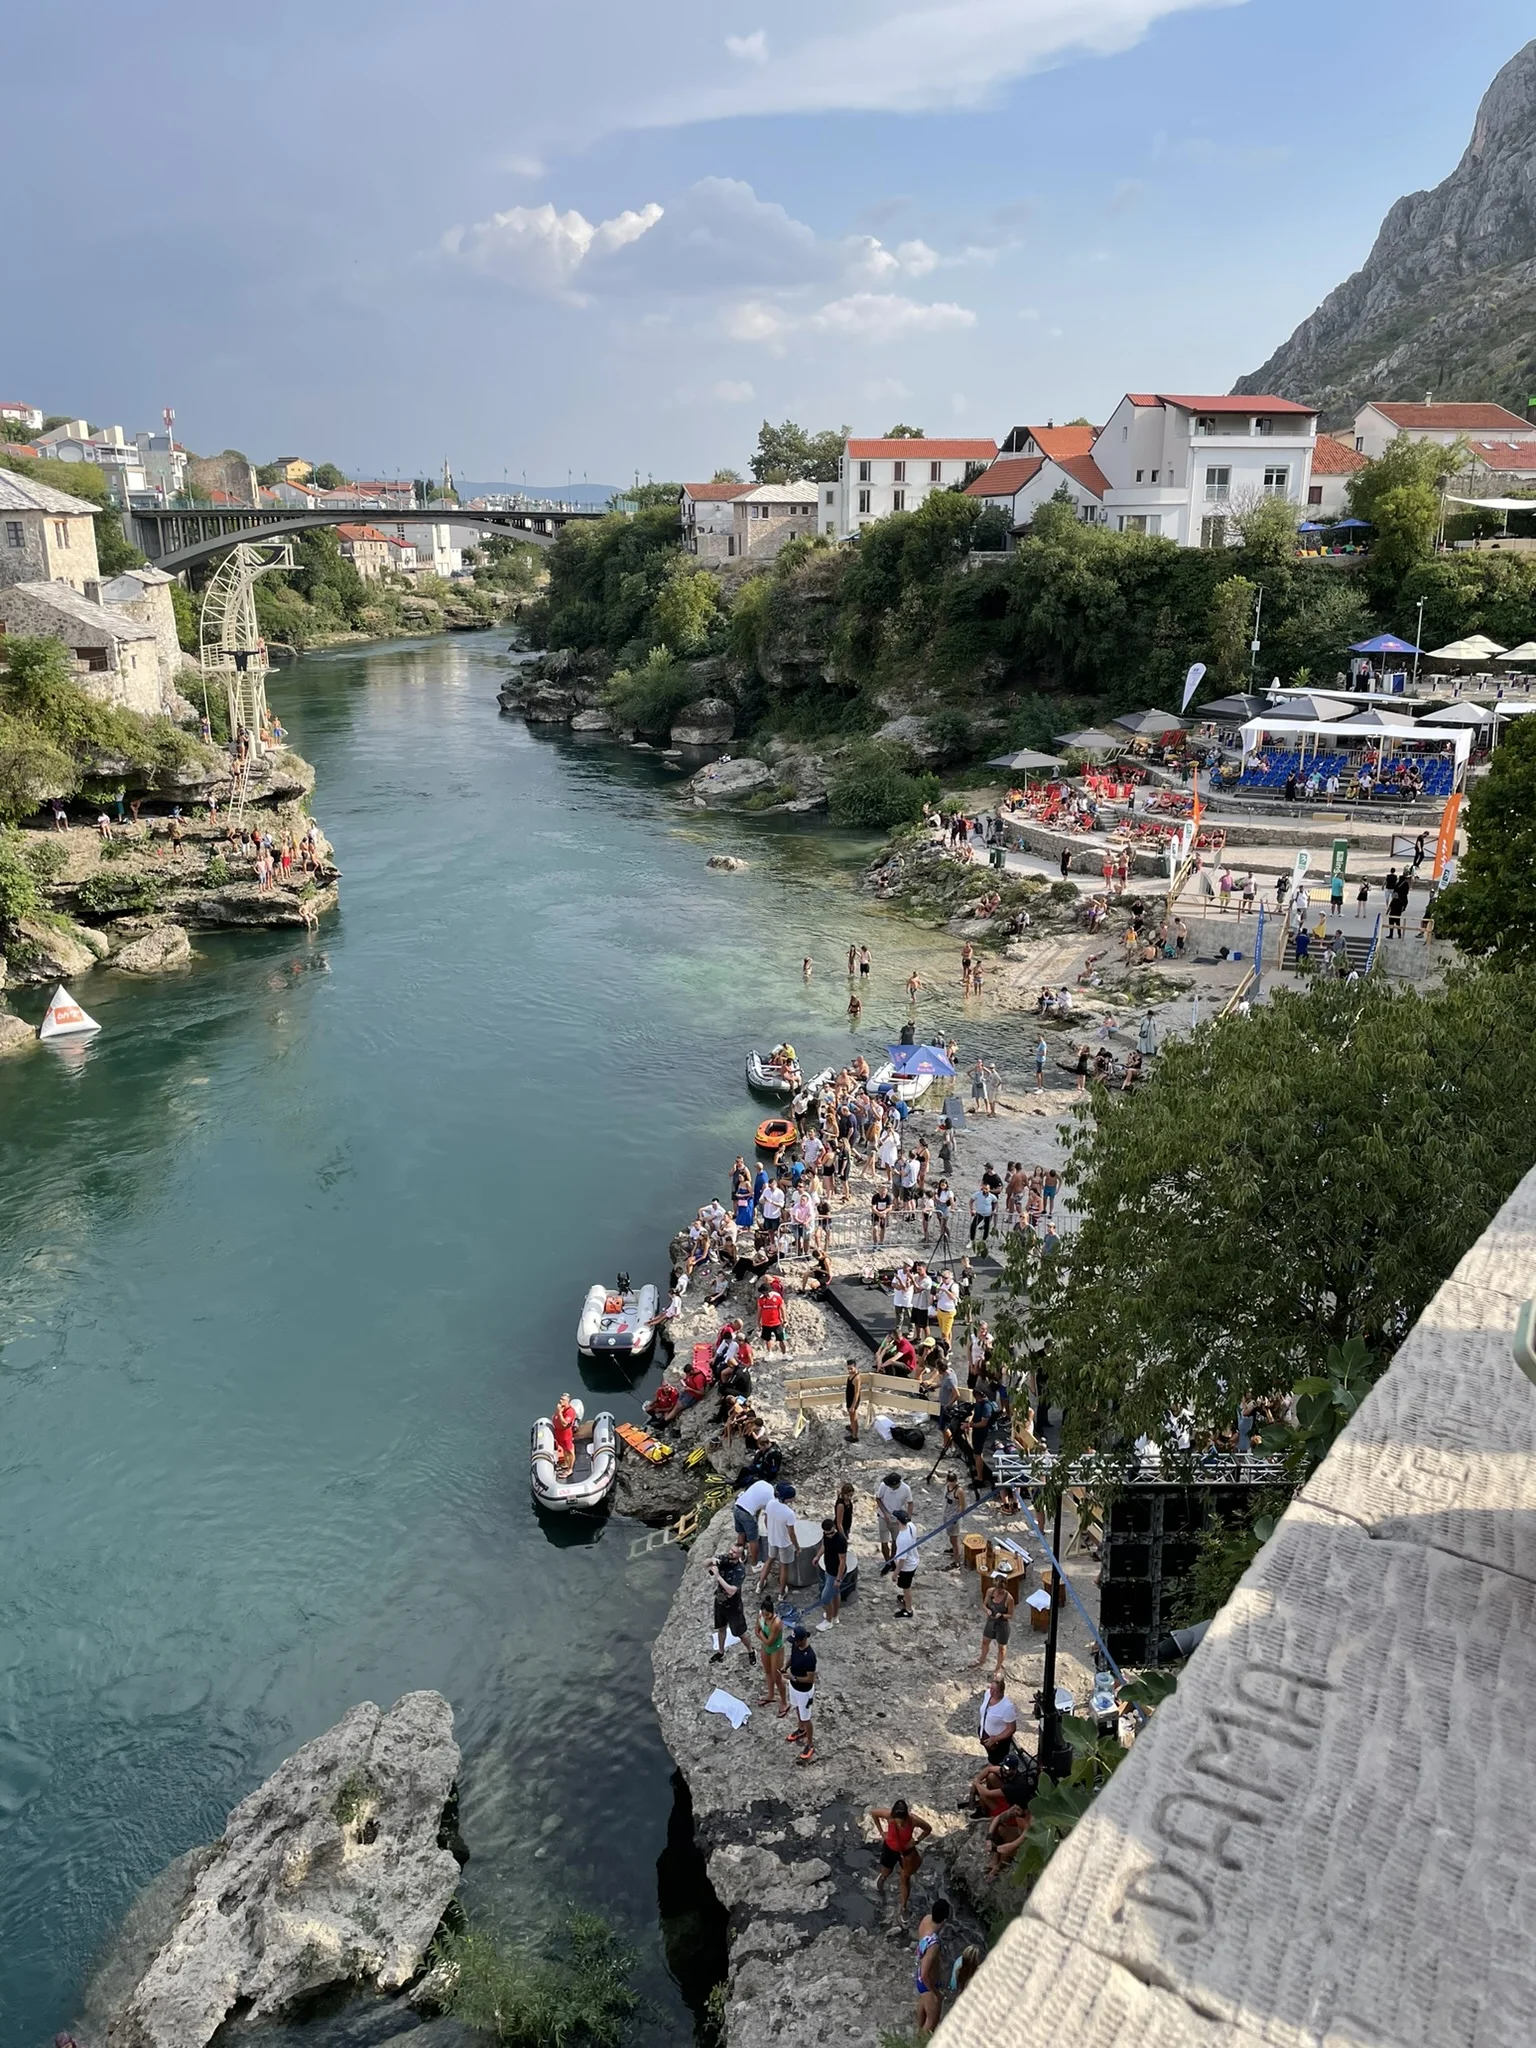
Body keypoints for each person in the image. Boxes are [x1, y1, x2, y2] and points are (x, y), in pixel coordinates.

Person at [870, 1799, 932, 1921]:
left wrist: (916, 1841)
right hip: (890, 1848)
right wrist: (882, 1832)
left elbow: (928, 1829)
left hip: (906, 1852)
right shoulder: (889, 1815)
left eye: (902, 1823)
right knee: (886, 1871)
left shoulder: (913, 1820)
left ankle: (903, 1908)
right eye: (897, 1823)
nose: (900, 1825)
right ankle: (882, 1878)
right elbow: (874, 1813)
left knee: (905, 1878)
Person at [708, 1544, 750, 1664]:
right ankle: (721, 1652)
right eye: (731, 1550)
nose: (731, 1553)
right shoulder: (724, 1559)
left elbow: (732, 1591)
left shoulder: (740, 1570)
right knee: (721, 1629)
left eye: (735, 1552)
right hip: (720, 1602)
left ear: (740, 1556)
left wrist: (718, 1576)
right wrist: (711, 1560)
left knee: (740, 1633)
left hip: (733, 1606)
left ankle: (750, 1650)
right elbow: (705, 1564)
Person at [914, 1899, 951, 2035]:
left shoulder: (926, 1920)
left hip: (919, 1976)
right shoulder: (934, 1945)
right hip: (928, 1981)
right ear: (945, 1919)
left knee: (924, 2006)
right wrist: (937, 1993)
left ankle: (918, 2033)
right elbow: (925, 1974)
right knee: (931, 2023)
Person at [761, 1481, 800, 1596]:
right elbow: (791, 1533)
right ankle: (781, 1592)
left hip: (772, 1539)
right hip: (784, 1543)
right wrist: (797, 1547)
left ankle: (760, 1583)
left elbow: (766, 1520)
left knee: (769, 1560)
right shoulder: (789, 1513)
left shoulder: (770, 1503)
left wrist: (771, 1531)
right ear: (787, 1499)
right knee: (784, 1566)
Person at [974, 1568, 1016, 1674]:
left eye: (1000, 1590)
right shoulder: (990, 1591)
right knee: (985, 1641)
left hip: (1002, 1626)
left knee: (1001, 1648)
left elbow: (1010, 1615)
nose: (998, 1591)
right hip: (990, 1622)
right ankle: (982, 1658)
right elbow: (984, 1605)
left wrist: (1001, 1615)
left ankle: (998, 1667)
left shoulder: (1009, 1599)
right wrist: (987, 1610)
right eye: (997, 1589)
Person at [786, 1625, 817, 1763]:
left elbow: (810, 1678)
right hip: (794, 1687)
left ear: (802, 1640)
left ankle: (810, 1744)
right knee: (797, 1708)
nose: (794, 1643)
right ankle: (800, 1729)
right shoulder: (795, 1646)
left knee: (806, 1718)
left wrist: (793, 1678)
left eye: (796, 1641)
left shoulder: (810, 1657)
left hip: (804, 1691)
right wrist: (785, 1667)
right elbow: (792, 1657)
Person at [733, 1475, 775, 1566]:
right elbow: (766, 1519)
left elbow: (758, 1505)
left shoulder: (761, 1483)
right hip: (747, 1513)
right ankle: (755, 1563)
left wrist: (755, 1517)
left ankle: (740, 1557)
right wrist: (770, 1532)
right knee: (754, 1540)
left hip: (737, 1507)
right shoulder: (771, 1499)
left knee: (741, 1533)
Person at [978, 1673, 1019, 1766]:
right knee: (991, 1757)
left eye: (995, 1690)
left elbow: (1011, 1728)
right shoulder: (988, 1694)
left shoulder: (1007, 1707)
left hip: (998, 1742)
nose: (992, 1692)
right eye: (991, 1688)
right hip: (985, 1734)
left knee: (996, 1761)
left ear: (1001, 1691)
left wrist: (995, 1739)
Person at [757, 1594, 787, 1715]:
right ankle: (770, 1695)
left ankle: (784, 1702)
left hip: (776, 1650)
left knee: (777, 1677)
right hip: (766, 1648)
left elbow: (770, 1641)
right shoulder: (761, 1616)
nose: (765, 1617)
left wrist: (762, 1637)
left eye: (767, 1615)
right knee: (768, 1671)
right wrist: (764, 1638)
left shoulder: (776, 1623)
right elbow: (756, 1631)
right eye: (764, 1614)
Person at [818, 1513, 848, 1628]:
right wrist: (817, 1556)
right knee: (835, 1593)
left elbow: (842, 1561)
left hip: (836, 1573)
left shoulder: (840, 1540)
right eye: (827, 1534)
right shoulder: (826, 1536)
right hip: (829, 1568)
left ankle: (828, 1621)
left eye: (831, 1533)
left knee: (825, 1598)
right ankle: (835, 1616)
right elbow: (824, 1546)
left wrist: (838, 1579)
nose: (829, 1536)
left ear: (834, 1528)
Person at [876, 1470, 913, 1560]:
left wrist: (907, 1518)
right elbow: (878, 1498)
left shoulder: (906, 1489)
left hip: (897, 1519)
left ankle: (893, 1560)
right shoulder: (883, 1486)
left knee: (896, 1541)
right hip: (883, 1516)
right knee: (884, 1541)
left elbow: (910, 1503)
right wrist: (885, 1513)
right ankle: (887, 1561)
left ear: (895, 1484)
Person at [892, 1507, 920, 1616]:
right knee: (905, 1586)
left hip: (907, 1567)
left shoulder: (902, 1539)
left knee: (906, 1587)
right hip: (914, 1559)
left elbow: (902, 1560)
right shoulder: (911, 1526)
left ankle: (908, 1610)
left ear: (898, 1521)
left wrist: (895, 1574)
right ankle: (905, 1599)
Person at [551, 1393, 579, 1477]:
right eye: (560, 1398)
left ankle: (570, 1469)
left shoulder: (570, 1411)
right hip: (558, 1433)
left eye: (563, 1399)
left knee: (569, 1451)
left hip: (565, 1435)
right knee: (564, 1449)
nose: (560, 1400)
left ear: (568, 1401)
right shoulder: (560, 1408)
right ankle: (566, 1463)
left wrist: (559, 1413)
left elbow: (564, 1424)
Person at [969, 1182, 995, 1249]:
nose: (984, 1190)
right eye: (983, 1189)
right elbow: (971, 1200)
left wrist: (994, 1210)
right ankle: (972, 1240)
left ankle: (984, 1241)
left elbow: (995, 1202)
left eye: (986, 1189)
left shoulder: (992, 1196)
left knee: (986, 1227)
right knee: (973, 1226)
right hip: (979, 1213)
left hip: (988, 1214)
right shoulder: (978, 1194)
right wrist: (972, 1209)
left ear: (989, 1189)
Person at [844, 1356, 863, 1442]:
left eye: (851, 1368)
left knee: (854, 1416)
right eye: (848, 1369)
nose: (849, 1371)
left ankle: (854, 1436)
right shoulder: (851, 1375)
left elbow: (857, 1393)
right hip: (849, 1397)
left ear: (855, 1367)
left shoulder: (857, 1378)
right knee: (850, 1414)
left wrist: (853, 1405)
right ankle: (852, 1427)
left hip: (853, 1399)